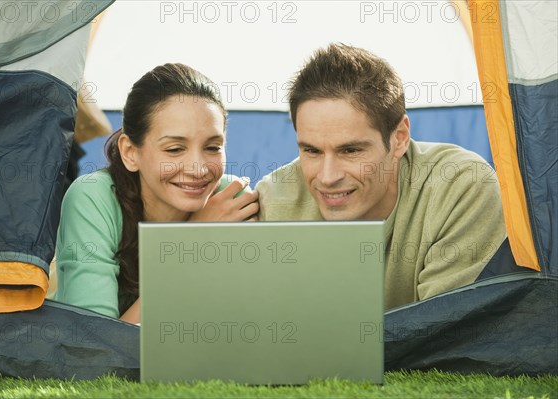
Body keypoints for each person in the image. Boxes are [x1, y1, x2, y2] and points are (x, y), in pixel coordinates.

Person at [255, 44, 507, 309]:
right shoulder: (275, 202)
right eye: (312, 151)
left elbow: (444, 336)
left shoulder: (460, 186)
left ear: (399, 139)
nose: (327, 177)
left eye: (350, 150)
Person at [54, 63, 259, 323]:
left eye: (212, 147)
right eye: (174, 149)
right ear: (130, 152)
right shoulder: (93, 200)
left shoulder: (230, 199)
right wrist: (192, 243)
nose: (198, 169)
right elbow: (96, 349)